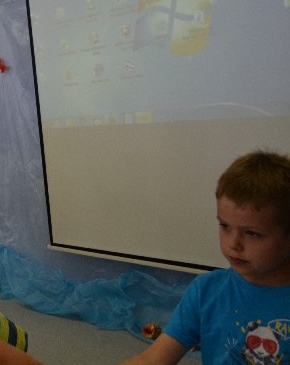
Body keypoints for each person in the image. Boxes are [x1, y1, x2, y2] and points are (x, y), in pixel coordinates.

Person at [123, 150, 290, 364]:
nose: (233, 244)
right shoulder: (206, 290)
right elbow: (154, 359)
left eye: (252, 233)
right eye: (225, 226)